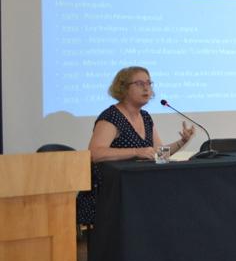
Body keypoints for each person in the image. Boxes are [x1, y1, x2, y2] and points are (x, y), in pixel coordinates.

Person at [76, 66, 195, 225]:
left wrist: (182, 142)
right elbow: (95, 153)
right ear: (123, 88)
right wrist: (136, 151)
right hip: (109, 195)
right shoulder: (111, 116)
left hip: (136, 191)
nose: (146, 88)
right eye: (139, 83)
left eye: (149, 83)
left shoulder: (145, 117)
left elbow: (159, 155)